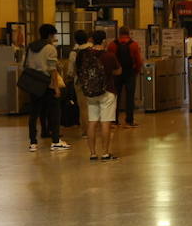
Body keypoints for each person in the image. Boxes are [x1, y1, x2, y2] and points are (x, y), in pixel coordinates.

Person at [21, 23, 72, 153]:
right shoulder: (50, 48)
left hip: (34, 84)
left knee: (34, 114)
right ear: (50, 35)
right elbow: (52, 70)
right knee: (55, 112)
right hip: (47, 84)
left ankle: (33, 142)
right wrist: (56, 88)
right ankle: (55, 141)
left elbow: (25, 64)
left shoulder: (30, 47)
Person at [77, 30, 121, 161]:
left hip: (90, 92)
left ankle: (92, 153)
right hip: (107, 91)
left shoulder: (85, 55)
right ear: (103, 41)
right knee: (105, 122)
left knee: (92, 122)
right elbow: (119, 71)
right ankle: (105, 152)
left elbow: (78, 70)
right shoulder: (109, 55)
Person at [107, 29, 144, 128]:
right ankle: (129, 121)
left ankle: (114, 120)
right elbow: (138, 60)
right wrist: (136, 71)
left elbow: (110, 59)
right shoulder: (134, 44)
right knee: (130, 97)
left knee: (115, 97)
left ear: (119, 34)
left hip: (116, 73)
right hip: (130, 73)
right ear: (128, 33)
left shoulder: (112, 45)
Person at [70, 29, 93, 139]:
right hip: (94, 81)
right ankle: (96, 128)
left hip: (80, 82)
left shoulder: (74, 53)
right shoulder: (92, 49)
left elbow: (70, 71)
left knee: (83, 107)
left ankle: (86, 130)